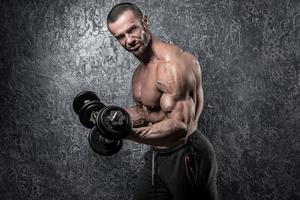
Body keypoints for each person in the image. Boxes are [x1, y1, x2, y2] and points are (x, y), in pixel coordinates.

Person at [107, 3, 218, 200]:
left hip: (186, 154)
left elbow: (180, 126)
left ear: (145, 22)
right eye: (120, 37)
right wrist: (109, 119)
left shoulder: (172, 66)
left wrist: (128, 133)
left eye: (131, 30)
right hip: (158, 156)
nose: (129, 40)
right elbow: (147, 112)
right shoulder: (140, 72)